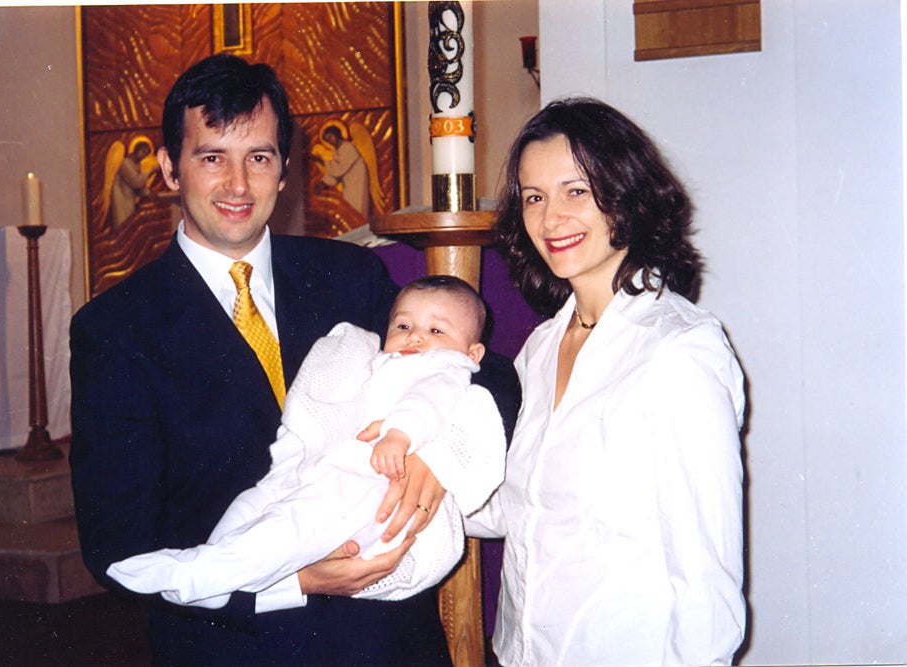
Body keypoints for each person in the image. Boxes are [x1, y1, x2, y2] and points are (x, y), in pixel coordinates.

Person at [69, 53, 519, 667]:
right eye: (211, 157)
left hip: (386, 643)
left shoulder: (350, 275)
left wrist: (442, 462)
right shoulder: (117, 329)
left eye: (258, 157)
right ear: (170, 168)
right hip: (239, 647)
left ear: (285, 171)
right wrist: (296, 581)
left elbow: (486, 369)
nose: (237, 185)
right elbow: (116, 547)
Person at [466, 98, 746, 666]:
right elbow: (513, 506)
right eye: (534, 197)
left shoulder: (678, 350)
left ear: (627, 194)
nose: (550, 220)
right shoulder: (542, 347)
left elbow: (704, 575)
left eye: (576, 191)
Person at [106, 276, 506, 608]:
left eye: (436, 330)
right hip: (328, 468)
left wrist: (402, 437)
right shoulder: (387, 360)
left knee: (293, 526)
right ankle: (215, 564)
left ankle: (206, 574)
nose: (415, 337)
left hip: (368, 483)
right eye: (403, 326)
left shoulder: (442, 367)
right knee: (253, 504)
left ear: (471, 353)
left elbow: (429, 402)